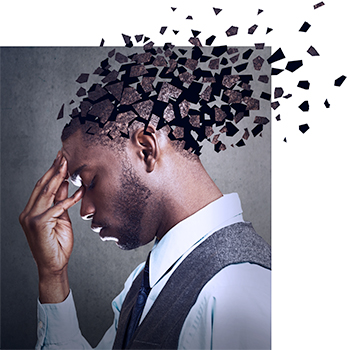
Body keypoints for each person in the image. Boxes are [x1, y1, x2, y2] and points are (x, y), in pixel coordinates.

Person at [19, 44, 271, 349]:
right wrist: (52, 274)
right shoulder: (143, 284)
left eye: (89, 181)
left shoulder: (240, 291)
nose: (82, 209)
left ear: (146, 149)